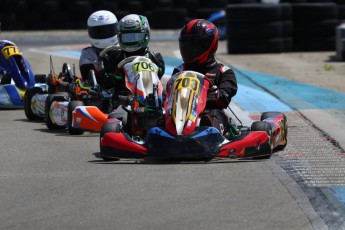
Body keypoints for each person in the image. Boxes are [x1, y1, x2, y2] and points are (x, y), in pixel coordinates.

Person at [172, 19, 238, 135]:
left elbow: (227, 93)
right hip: (180, 114)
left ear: (209, 46)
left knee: (214, 116)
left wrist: (217, 94)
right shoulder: (179, 71)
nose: (189, 50)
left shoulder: (223, 72)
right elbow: (170, 94)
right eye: (186, 46)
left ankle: (211, 135)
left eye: (193, 47)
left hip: (207, 113)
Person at [79, 10, 119, 87]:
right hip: (100, 89)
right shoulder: (89, 54)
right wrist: (100, 70)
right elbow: (87, 77)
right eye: (98, 32)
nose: (103, 35)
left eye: (107, 31)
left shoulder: (124, 49)